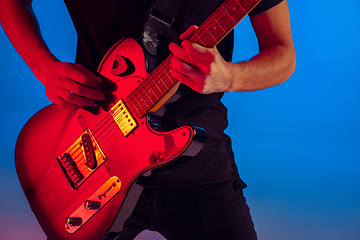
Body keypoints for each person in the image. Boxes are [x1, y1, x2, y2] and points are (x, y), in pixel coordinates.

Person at [0, 0, 295, 239]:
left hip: (197, 160)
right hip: (91, 155)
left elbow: (283, 53)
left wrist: (229, 77)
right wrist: (43, 66)